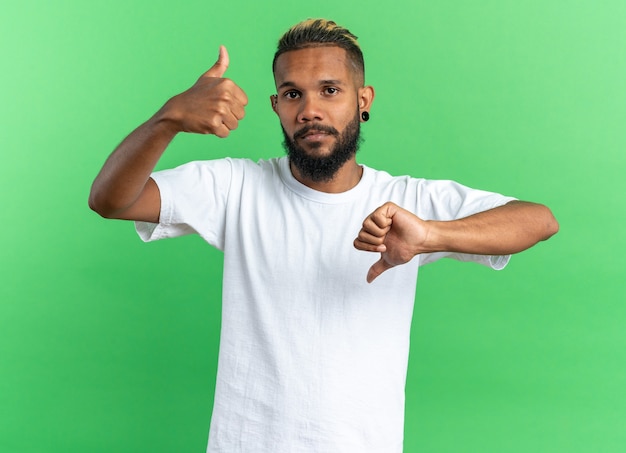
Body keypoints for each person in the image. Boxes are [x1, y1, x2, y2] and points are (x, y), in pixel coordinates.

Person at [89, 18, 558, 453]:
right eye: (292, 94)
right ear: (276, 106)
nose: (310, 110)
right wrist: (167, 119)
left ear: (363, 99)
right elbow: (111, 200)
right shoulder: (236, 187)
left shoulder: (403, 198)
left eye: (329, 90)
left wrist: (429, 235)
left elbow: (538, 220)